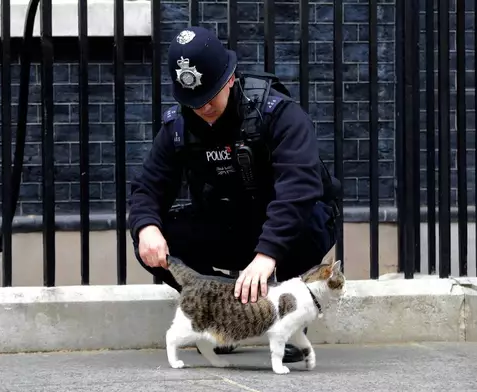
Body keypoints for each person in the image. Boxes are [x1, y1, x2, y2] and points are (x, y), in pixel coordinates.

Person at [127, 26, 341, 363]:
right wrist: (145, 227)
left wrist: (267, 254)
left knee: (311, 220)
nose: (203, 108)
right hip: (228, 223)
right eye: (193, 101)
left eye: (210, 96)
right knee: (155, 238)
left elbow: (299, 186)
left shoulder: (277, 113)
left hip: (283, 228)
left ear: (229, 79)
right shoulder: (178, 126)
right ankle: (225, 313)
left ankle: (280, 315)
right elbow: (147, 186)